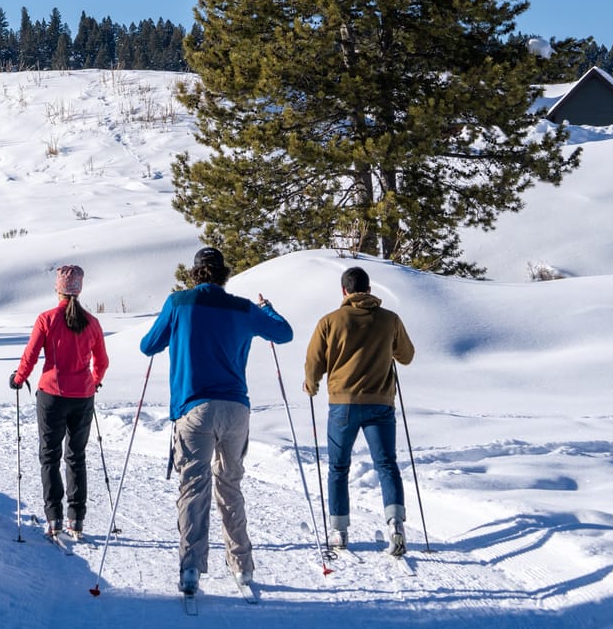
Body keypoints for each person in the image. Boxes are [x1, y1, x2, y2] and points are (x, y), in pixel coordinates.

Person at [139, 245, 293, 597]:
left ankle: (191, 567)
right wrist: (267, 308)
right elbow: (283, 334)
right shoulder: (242, 307)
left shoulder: (178, 303)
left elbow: (148, 346)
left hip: (195, 408)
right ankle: (243, 566)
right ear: (223, 273)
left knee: (194, 488)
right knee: (230, 485)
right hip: (236, 407)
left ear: (195, 273)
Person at [303, 264, 417, 556]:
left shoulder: (330, 321)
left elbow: (315, 362)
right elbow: (407, 356)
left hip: (343, 405)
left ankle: (339, 531)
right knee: (387, 465)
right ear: (368, 289)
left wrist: (311, 385)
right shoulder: (390, 320)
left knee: (339, 468)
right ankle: (395, 526)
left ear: (344, 291)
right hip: (380, 403)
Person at [10, 264, 110, 540]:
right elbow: (102, 361)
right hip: (83, 396)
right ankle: (75, 520)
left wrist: (19, 379)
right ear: (79, 289)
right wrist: (94, 380)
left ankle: (53, 518)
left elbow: (30, 356)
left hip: (52, 394)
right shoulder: (92, 322)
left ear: (58, 289)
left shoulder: (47, 319)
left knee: (49, 456)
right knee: (76, 457)